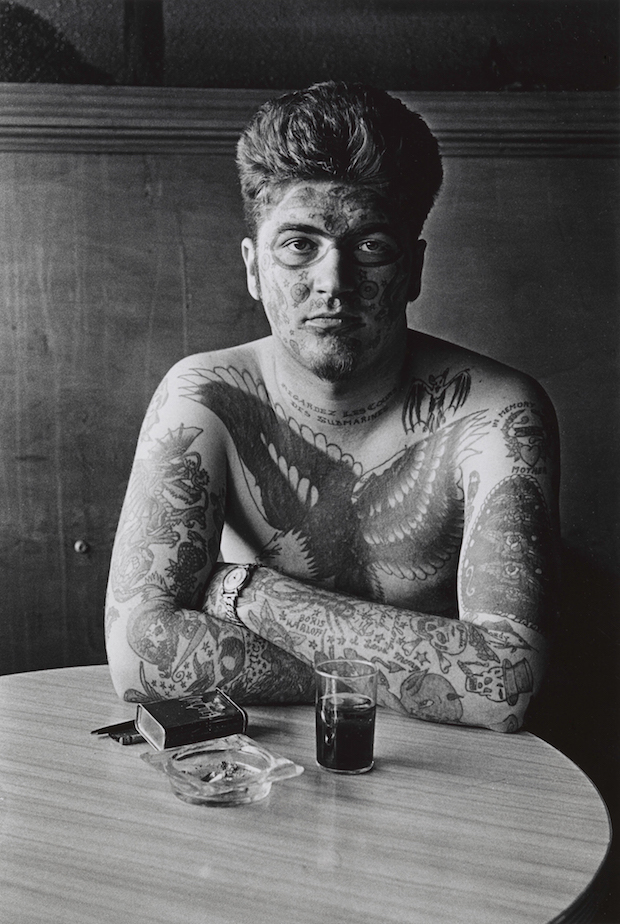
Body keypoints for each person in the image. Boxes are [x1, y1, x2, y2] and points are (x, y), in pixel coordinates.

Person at [105, 81, 560, 732]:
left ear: (413, 269)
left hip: (452, 777)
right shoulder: (205, 397)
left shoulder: (495, 416)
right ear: (254, 267)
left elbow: (507, 685)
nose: (333, 283)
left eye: (371, 246)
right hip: (267, 770)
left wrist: (243, 592)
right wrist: (413, 674)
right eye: (299, 245)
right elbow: (139, 660)